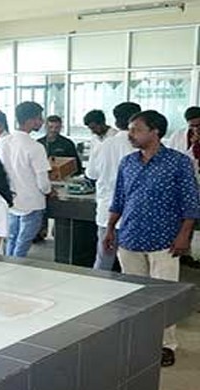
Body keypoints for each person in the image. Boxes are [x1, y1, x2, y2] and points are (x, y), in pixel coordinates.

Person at [104, 110, 200, 368]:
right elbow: (119, 199)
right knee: (134, 294)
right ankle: (138, 339)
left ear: (155, 131)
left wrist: (183, 236)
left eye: (136, 129)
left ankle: (166, 345)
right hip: (131, 238)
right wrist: (111, 228)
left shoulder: (178, 162)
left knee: (163, 295)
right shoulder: (128, 162)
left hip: (165, 241)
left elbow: (191, 203)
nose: (131, 134)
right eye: (130, 129)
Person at [85, 102, 141, 272]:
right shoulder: (140, 147)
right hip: (132, 212)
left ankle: (97, 293)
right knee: (134, 263)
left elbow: (91, 174)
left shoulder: (105, 145)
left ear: (116, 122)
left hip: (106, 210)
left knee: (104, 258)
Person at [0, 102, 52, 258]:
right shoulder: (35, 147)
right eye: (39, 118)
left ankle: (8, 270)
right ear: (30, 121)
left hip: (10, 200)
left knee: (11, 239)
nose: (42, 122)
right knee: (23, 243)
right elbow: (43, 183)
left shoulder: (1, 143)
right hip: (32, 203)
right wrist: (50, 190)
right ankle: (16, 272)